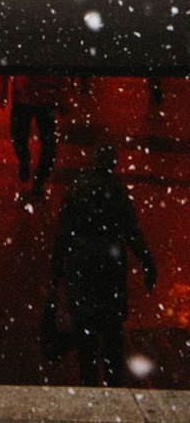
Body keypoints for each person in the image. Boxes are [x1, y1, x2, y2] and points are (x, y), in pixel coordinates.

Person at [49, 143, 155, 387]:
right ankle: (112, 378)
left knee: (87, 331)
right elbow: (132, 231)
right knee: (111, 331)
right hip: (110, 265)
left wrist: (57, 272)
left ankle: (89, 382)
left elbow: (63, 234)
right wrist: (146, 260)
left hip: (83, 265)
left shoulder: (77, 190)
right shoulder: (116, 192)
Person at [0, 74, 64, 198]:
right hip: (31, 95)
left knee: (47, 142)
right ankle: (28, 164)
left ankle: (38, 177)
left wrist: (2, 88)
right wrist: (2, 87)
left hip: (40, 96)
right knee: (22, 136)